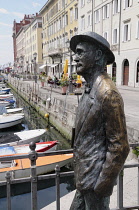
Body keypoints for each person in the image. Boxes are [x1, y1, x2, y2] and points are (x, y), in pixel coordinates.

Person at [69, 31, 130, 210]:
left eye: (80, 52)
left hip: (95, 182)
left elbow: (119, 146)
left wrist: (102, 184)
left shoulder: (107, 93)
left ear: (97, 56)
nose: (75, 58)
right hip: (85, 178)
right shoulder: (90, 89)